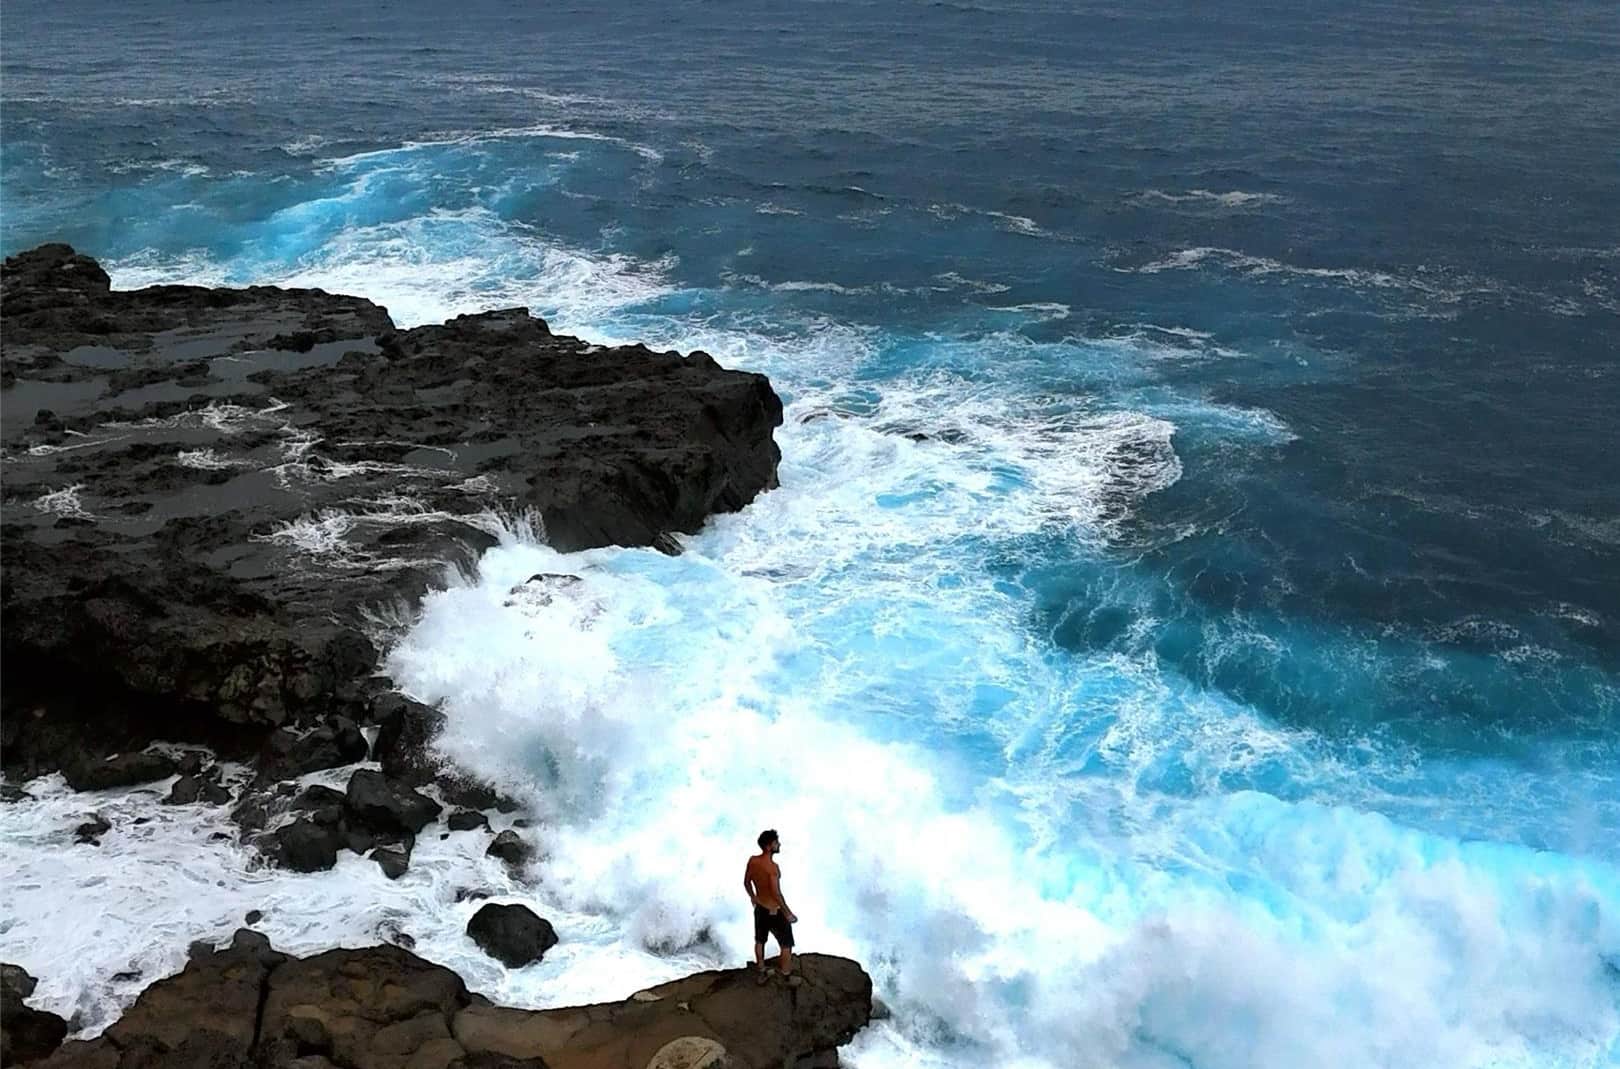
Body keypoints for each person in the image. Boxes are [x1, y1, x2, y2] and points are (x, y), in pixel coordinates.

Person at [743, 828, 798, 983]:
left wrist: (753, 897)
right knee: (786, 943)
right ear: (769, 846)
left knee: (760, 940)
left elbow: (746, 882)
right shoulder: (773, 868)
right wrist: (788, 913)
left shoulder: (753, 861)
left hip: (760, 907)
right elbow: (776, 893)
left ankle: (762, 971)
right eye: (776, 843)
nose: (779, 845)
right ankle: (786, 976)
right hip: (774, 910)